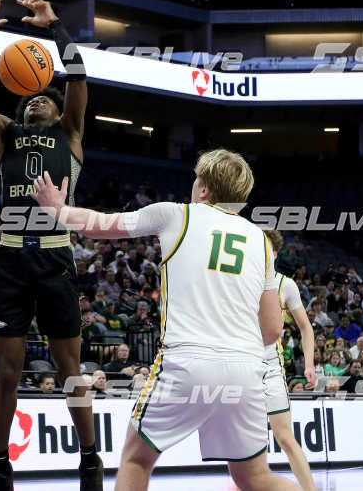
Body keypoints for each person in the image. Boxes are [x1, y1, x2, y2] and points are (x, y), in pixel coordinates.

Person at [32, 149, 299, 491]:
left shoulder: (177, 215)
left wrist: (57, 209)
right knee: (254, 477)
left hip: (188, 360)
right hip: (246, 368)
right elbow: (273, 329)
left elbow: (101, 226)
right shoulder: (260, 241)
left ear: (203, 189)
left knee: (136, 459)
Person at [0, 0, 97, 491]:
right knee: (8, 371)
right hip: (11, 254)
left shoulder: (71, 132)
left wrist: (54, 28)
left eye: (45, 99)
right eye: (33, 97)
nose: (38, 100)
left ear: (57, 113)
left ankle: (90, 457)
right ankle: (1, 463)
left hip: (56, 252)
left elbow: (76, 76)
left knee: (69, 364)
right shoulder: (4, 133)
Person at [262, 229, 317, 491]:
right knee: (244, 445)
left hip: (270, 367)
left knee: (285, 437)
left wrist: (308, 365)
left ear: (274, 254)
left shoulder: (286, 285)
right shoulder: (236, 281)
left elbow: (306, 328)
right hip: (237, 366)